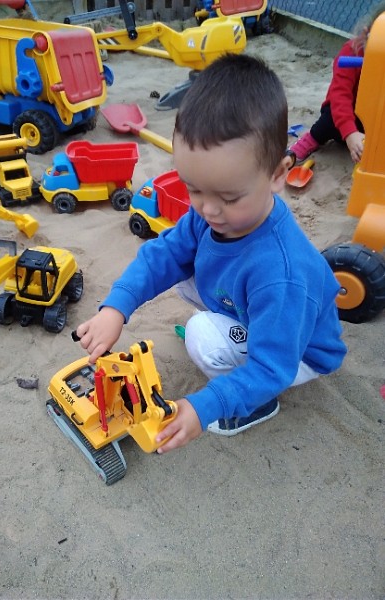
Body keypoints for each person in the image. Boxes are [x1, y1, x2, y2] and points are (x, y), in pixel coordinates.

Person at [75, 53, 347, 454]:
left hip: (298, 351)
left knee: (202, 335)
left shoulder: (281, 273)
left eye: (229, 197)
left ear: (277, 175)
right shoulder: (213, 214)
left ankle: (257, 405)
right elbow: (163, 254)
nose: (207, 209)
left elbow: (272, 366)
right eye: (194, 189)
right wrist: (116, 307)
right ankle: (235, 337)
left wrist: (206, 406)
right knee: (183, 266)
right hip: (255, 308)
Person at [289, 2, 385, 164]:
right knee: (329, 120)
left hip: (372, 118)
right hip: (343, 116)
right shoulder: (352, 52)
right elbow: (340, 96)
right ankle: (311, 139)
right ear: (367, 34)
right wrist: (350, 132)